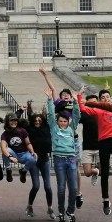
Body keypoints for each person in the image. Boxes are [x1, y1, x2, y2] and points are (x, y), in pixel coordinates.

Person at [40, 68, 82, 208]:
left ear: (70, 96)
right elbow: (52, 89)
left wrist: (78, 97)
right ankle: (68, 201)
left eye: (67, 94)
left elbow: (77, 112)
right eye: (63, 94)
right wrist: (45, 76)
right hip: (60, 138)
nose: (65, 96)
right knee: (65, 177)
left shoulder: (72, 104)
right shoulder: (59, 104)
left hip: (72, 138)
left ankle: (77, 193)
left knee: (75, 169)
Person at [45, 86, 80, 222]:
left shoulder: (72, 128)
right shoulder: (54, 128)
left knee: (73, 187)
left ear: (68, 122)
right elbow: (50, 116)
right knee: (61, 188)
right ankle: (61, 212)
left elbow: (77, 115)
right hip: (59, 159)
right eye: (61, 121)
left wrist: (76, 102)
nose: (62, 123)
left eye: (65, 121)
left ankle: (70, 212)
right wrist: (49, 99)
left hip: (71, 159)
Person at [18, 99, 55, 220]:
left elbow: (52, 117)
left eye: (39, 120)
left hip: (44, 160)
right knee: (36, 186)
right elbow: (16, 123)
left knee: (48, 186)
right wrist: (22, 110)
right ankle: (29, 206)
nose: (37, 122)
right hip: (33, 160)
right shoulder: (29, 129)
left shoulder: (47, 128)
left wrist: (50, 104)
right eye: (36, 120)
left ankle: (50, 208)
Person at [0, 113, 37, 185]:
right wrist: (10, 157)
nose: (14, 122)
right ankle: (8, 169)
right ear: (8, 122)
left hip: (24, 154)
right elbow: (3, 147)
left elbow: (28, 143)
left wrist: (32, 152)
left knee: (34, 158)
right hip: (14, 155)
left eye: (15, 120)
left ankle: (23, 171)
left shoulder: (22, 131)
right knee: (6, 150)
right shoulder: (5, 134)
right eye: (11, 121)